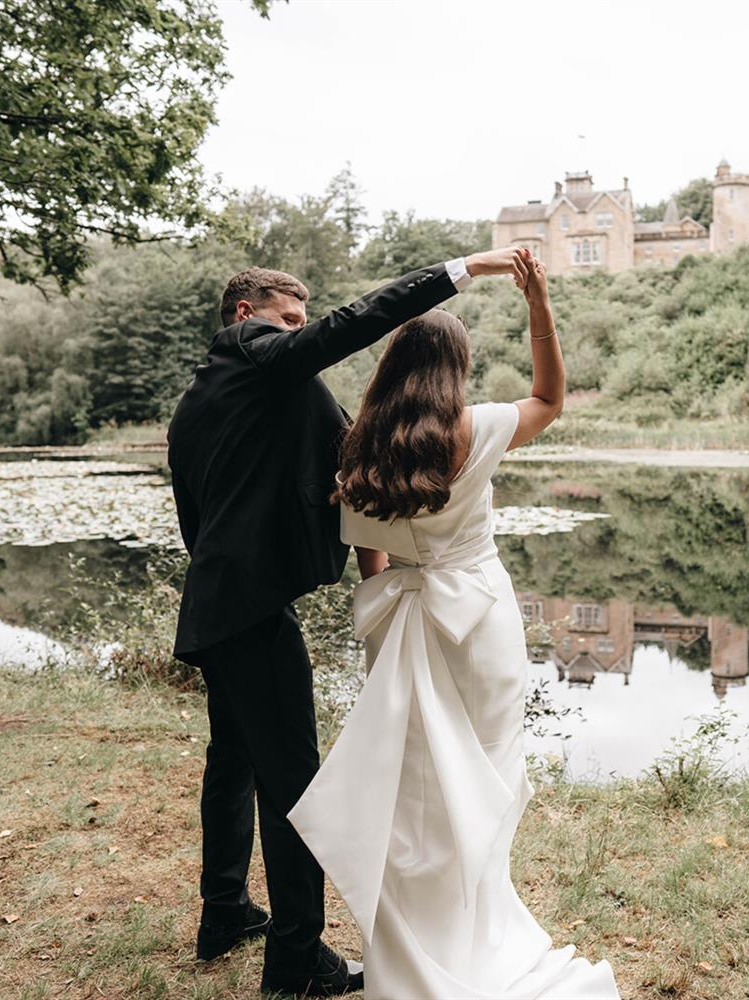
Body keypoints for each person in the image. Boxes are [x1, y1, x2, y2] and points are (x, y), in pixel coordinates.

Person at [166, 246, 535, 997]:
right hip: (244, 608)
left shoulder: (209, 395)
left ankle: (224, 911)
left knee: (233, 757)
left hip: (221, 603)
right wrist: (461, 270)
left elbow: (207, 500)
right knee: (294, 780)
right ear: (247, 316)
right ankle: (297, 956)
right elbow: (350, 326)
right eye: (289, 319)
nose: (299, 332)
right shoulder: (253, 353)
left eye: (300, 321)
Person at [289, 258, 621, 998]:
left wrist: (391, 614)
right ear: (457, 369)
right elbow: (549, 397)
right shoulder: (479, 428)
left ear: (394, 367)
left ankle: (413, 940)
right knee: (488, 776)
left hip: (402, 619)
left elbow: (367, 551)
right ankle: (474, 931)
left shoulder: (359, 444)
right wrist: (540, 304)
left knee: (412, 791)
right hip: (480, 621)